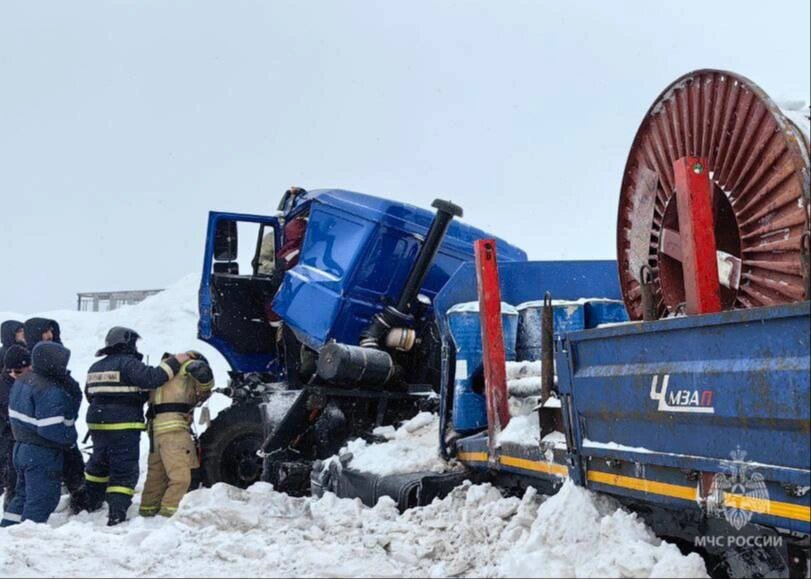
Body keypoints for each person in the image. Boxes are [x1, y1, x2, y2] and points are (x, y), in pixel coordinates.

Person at [84, 327, 190, 525]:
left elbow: (90, 395)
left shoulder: (95, 367)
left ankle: (90, 504)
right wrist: (176, 361)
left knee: (99, 464)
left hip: (97, 425)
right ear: (128, 343)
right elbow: (153, 378)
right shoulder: (128, 363)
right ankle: (116, 514)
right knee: (123, 470)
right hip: (122, 426)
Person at [1, 342, 79, 526]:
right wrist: (69, 438)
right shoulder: (48, 389)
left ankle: (7, 530)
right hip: (41, 453)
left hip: (21, 448)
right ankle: (28, 534)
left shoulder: (22, 381)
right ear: (52, 363)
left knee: (22, 496)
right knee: (42, 499)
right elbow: (51, 428)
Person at [23, 316, 89, 514]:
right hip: (33, 431)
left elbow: (72, 389)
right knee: (33, 478)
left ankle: (79, 504)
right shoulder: (25, 359)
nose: (50, 335)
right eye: (45, 332)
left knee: (72, 465)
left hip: (59, 424)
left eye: (52, 331)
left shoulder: (55, 355)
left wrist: (68, 412)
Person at [140, 352, 214, 517]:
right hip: (173, 430)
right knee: (181, 477)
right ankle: (169, 513)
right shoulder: (185, 365)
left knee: (156, 477)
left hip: (155, 430)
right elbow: (201, 371)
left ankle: (147, 509)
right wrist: (205, 390)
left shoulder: (161, 371)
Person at [1, 345, 30, 507]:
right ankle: (10, 510)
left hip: (17, 438)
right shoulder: (5, 386)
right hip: (10, 439)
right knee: (13, 478)